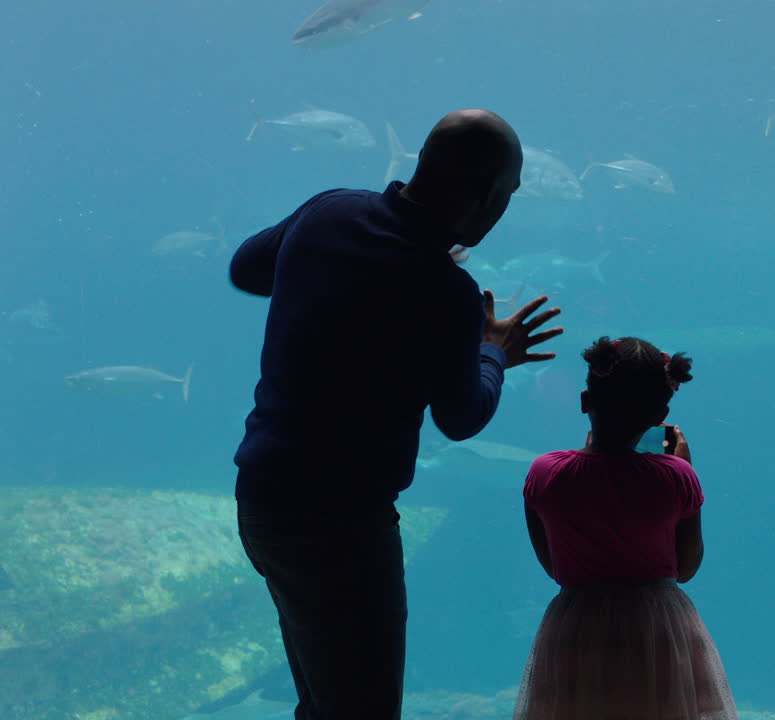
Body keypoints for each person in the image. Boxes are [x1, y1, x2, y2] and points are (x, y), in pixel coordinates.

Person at [228, 108, 563, 720]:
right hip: (343, 527)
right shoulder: (443, 290)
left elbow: (247, 269)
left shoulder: (327, 210)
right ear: (489, 198)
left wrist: (338, 276)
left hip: (263, 501)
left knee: (324, 700)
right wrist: (494, 351)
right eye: (509, 194)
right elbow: (462, 418)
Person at [515, 336, 737, 720]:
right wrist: (682, 469)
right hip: (658, 630)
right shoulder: (677, 477)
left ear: (586, 401)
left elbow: (555, 568)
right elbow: (686, 568)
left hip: (576, 631)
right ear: (661, 414)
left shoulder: (545, 473)